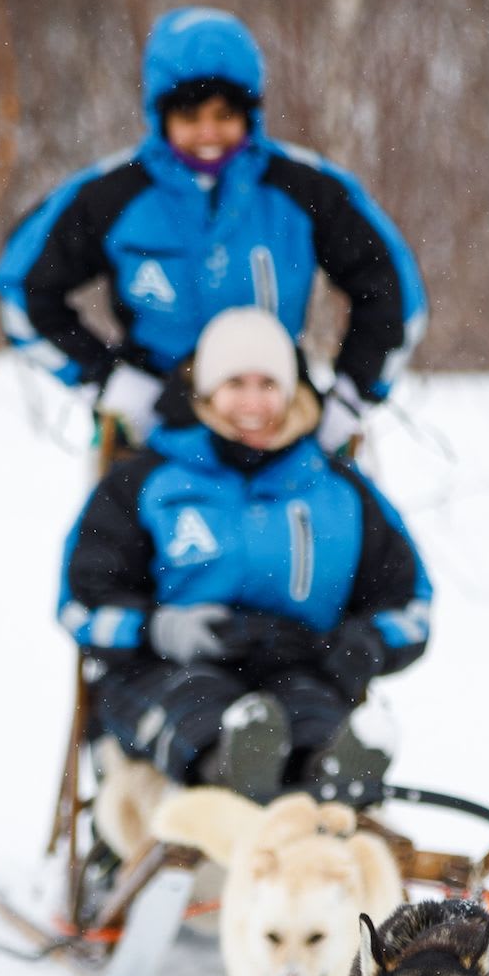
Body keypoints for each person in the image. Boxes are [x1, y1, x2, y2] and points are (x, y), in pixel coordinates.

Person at [0, 7, 427, 454]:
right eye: (189, 115)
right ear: (160, 116)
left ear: (250, 113)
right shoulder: (111, 196)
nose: (208, 132)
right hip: (154, 426)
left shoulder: (306, 190)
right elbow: (22, 289)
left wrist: (352, 397)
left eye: (224, 114)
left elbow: (393, 292)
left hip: (282, 421)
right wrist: (110, 383)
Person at [59, 307, 431, 804]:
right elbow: (81, 605)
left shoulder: (341, 491)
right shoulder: (143, 483)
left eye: (268, 383)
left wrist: (367, 642)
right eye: (235, 383)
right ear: (207, 390)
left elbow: (410, 606)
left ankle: (329, 773)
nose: (253, 402)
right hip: (166, 668)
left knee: (313, 720)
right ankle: (230, 774)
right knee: (199, 714)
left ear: (290, 388)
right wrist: (159, 628)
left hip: (301, 668)